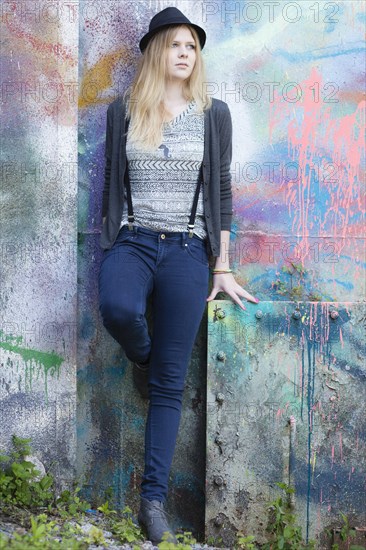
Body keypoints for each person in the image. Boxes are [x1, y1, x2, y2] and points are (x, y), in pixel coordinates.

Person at [98, 6, 258, 545]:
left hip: (190, 250)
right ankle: (143, 355)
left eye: (192, 45)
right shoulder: (123, 112)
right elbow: (110, 186)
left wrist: (223, 263)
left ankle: (152, 503)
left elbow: (223, 193)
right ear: (156, 52)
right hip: (135, 241)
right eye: (175, 44)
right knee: (118, 309)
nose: (186, 53)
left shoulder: (214, 115)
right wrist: (113, 237)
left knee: (171, 384)